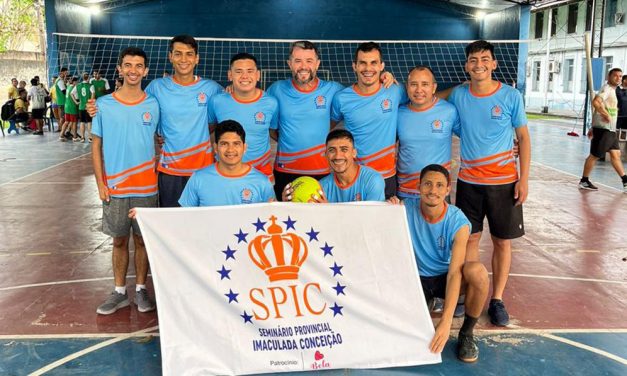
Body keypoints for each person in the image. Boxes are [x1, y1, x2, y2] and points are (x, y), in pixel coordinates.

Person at [446, 40, 531, 327]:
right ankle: (469, 292)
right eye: (473, 59)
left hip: (504, 183)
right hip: (469, 181)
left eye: (484, 58)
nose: (478, 63)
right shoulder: (459, 95)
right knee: (468, 239)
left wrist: (524, 178)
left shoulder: (510, 96)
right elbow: (430, 94)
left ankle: (497, 299)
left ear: (494, 64)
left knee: (501, 241)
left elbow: (524, 138)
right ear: (466, 65)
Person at [89, 35, 223, 207]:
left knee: (202, 226)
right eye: (178, 53)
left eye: (189, 54)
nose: (183, 59)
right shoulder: (156, 87)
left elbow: (222, 113)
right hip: (169, 171)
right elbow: (137, 108)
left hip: (203, 170)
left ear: (196, 58)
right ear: (170, 56)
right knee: (171, 226)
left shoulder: (212, 89)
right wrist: (95, 107)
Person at [388, 164, 488, 363]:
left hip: (445, 277)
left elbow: (454, 274)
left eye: (439, 185)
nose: (433, 190)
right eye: (428, 184)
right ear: (418, 187)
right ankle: (426, 301)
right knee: (405, 336)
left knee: (478, 272)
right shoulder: (403, 209)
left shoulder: (458, 221)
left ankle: (467, 333)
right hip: (416, 279)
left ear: (447, 190)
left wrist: (446, 321)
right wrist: (388, 208)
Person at [91, 46, 160, 315]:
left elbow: (163, 137)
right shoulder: (104, 104)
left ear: (146, 70)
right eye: (128, 65)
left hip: (147, 187)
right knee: (119, 240)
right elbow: (96, 146)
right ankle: (119, 291)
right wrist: (100, 182)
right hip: (116, 188)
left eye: (138, 65)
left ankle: (141, 289)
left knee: (142, 241)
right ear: (120, 69)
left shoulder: (154, 104)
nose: (133, 70)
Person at [267, 41, 345, 197]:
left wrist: (383, 77)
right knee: (286, 218)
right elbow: (270, 128)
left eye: (309, 61)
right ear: (290, 64)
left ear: (317, 64)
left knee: (320, 219)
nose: (303, 66)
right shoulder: (276, 89)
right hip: (285, 170)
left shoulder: (333, 90)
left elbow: (360, 93)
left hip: (322, 171)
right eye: (298, 61)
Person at [331, 42, 407, 198]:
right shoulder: (341, 98)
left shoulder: (395, 90)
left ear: (382, 66)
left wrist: (461, 87)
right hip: (356, 177)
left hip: (387, 176)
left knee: (385, 223)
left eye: (373, 63)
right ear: (355, 66)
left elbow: (421, 100)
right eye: (362, 63)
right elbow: (327, 127)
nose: (368, 68)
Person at [208, 53, 278, 181]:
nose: (245, 76)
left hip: (261, 173)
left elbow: (273, 132)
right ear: (230, 75)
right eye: (238, 71)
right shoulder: (216, 101)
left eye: (250, 71)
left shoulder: (271, 103)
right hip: (225, 173)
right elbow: (211, 130)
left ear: (258, 75)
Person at [178, 120, 275, 206]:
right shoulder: (198, 179)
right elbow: (184, 218)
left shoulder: (262, 182)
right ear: (215, 148)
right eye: (224, 144)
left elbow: (272, 216)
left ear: (244, 148)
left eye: (236, 144)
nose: (230, 149)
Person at [397, 65, 459, 199]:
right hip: (406, 191)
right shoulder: (398, 114)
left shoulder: (449, 111)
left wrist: (508, 144)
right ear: (407, 87)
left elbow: (472, 136)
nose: (419, 90)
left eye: (425, 84)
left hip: (437, 193)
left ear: (434, 87)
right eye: (414, 84)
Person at [283, 129, 385, 203]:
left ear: (354, 153)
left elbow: (371, 222)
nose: (337, 156)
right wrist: (287, 205)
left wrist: (329, 211)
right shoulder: (320, 187)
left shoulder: (373, 180)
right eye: (332, 150)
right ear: (326, 155)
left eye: (344, 149)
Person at [579, 68, 627, 192]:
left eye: (620, 76)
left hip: (609, 129)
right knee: (594, 155)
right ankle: (584, 180)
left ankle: (625, 180)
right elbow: (596, 102)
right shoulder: (606, 89)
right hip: (603, 129)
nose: (618, 78)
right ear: (609, 76)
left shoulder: (613, 90)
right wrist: (605, 114)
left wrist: (592, 125)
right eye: (615, 76)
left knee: (616, 155)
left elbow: (599, 106)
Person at [74, 73, 94, 142]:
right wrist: (90, 104)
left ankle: (82, 137)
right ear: (88, 78)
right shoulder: (91, 86)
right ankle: (90, 137)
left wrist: (76, 102)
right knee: (89, 122)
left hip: (81, 106)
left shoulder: (78, 85)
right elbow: (93, 95)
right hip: (87, 107)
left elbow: (71, 93)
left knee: (82, 122)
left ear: (82, 78)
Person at [64, 76, 80, 141]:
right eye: (77, 81)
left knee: (68, 121)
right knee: (74, 122)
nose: (78, 83)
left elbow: (67, 83)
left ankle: (62, 134)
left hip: (67, 106)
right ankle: (75, 136)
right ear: (75, 82)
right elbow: (74, 96)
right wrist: (77, 102)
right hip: (72, 107)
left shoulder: (68, 86)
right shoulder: (74, 87)